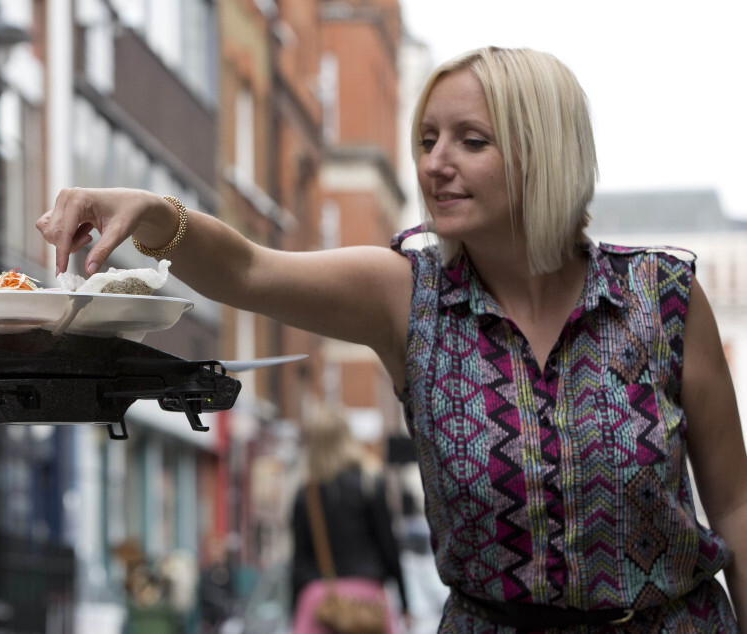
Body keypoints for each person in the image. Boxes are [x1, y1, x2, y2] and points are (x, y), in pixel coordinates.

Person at [37, 46, 747, 632]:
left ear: (545, 152)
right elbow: (250, 269)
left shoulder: (661, 298)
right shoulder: (408, 295)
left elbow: (737, 509)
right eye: (427, 140)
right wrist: (152, 214)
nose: (436, 162)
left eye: (472, 141)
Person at [289, 408, 409, 632]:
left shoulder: (307, 493)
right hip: (367, 599)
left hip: (319, 601)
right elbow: (389, 547)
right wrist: (405, 602)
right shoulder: (370, 484)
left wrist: (294, 610)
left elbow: (299, 561)